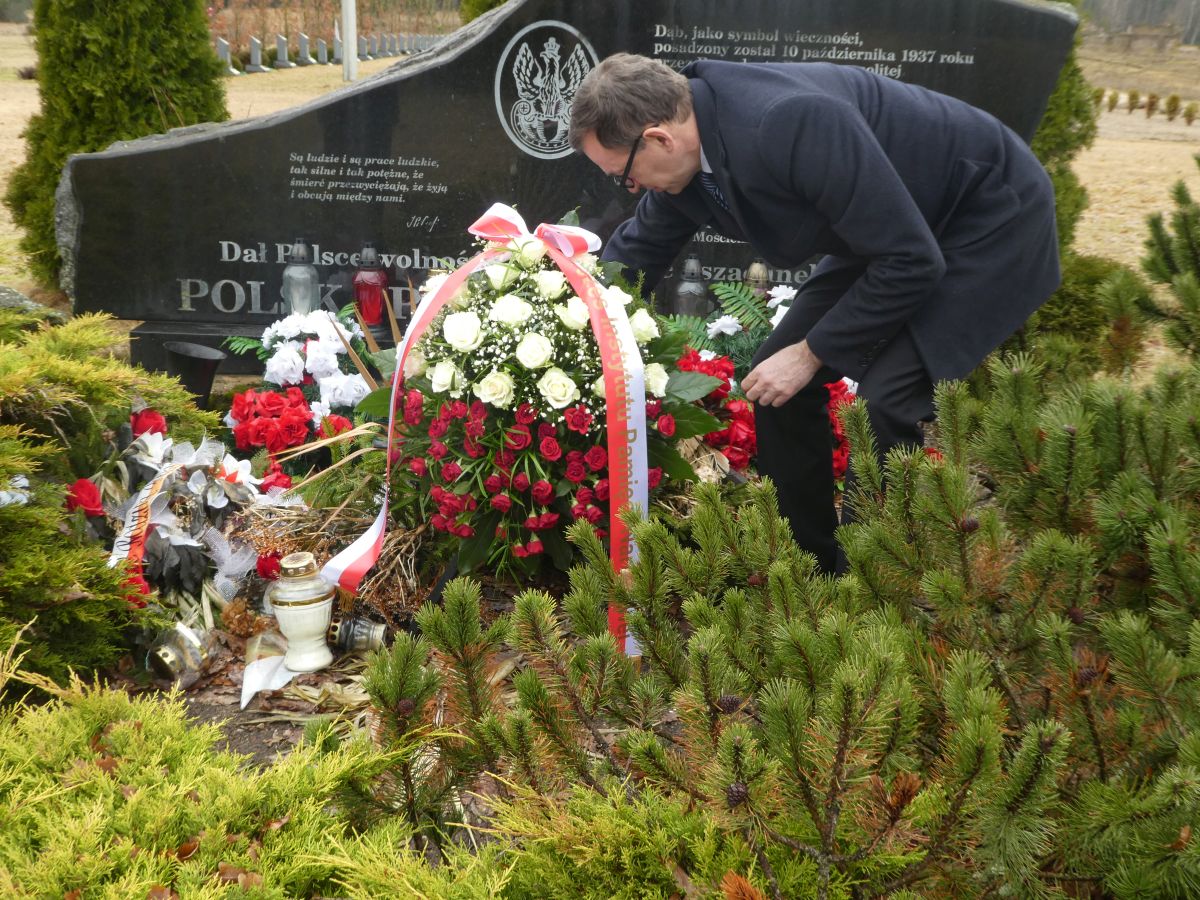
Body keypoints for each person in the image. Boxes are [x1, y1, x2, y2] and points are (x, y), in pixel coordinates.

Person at [568, 54, 1060, 572]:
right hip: (891, 229)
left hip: (984, 215)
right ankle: (810, 571)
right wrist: (568, 311)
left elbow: (911, 261)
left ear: (659, 139)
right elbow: (638, 253)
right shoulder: (688, 145)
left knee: (887, 400)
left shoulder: (785, 120)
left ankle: (870, 584)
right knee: (774, 382)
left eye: (623, 176)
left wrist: (811, 353)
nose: (630, 189)